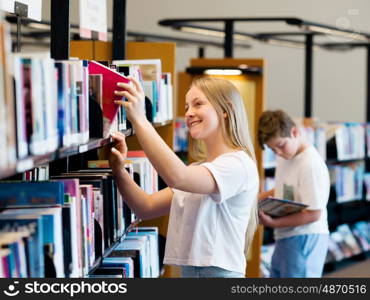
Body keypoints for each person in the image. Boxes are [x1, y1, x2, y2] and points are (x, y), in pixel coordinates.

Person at [109, 76, 259, 278]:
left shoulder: (238, 164)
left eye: (198, 104)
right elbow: (145, 207)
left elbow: (178, 177)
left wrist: (140, 120)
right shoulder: (200, 170)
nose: (189, 113)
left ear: (226, 110)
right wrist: (119, 171)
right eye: (187, 106)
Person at [257, 110, 330, 278]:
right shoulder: (285, 156)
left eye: (281, 146)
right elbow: (284, 189)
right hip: (286, 236)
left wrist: (273, 223)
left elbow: (314, 214)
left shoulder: (310, 164)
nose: (279, 153)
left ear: (294, 132)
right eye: (272, 149)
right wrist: (256, 200)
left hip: (305, 236)